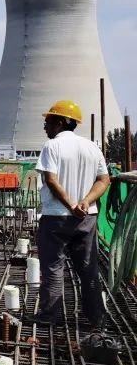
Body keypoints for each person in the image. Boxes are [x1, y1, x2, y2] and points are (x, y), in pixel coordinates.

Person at [34, 99, 111, 329]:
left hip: (57, 217)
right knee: (88, 269)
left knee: (53, 268)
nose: (45, 126)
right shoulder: (91, 147)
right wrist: (85, 203)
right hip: (86, 218)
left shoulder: (52, 147)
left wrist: (71, 205)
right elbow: (104, 179)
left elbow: (51, 180)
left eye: (48, 121)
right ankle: (96, 318)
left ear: (59, 122)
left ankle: (48, 316)